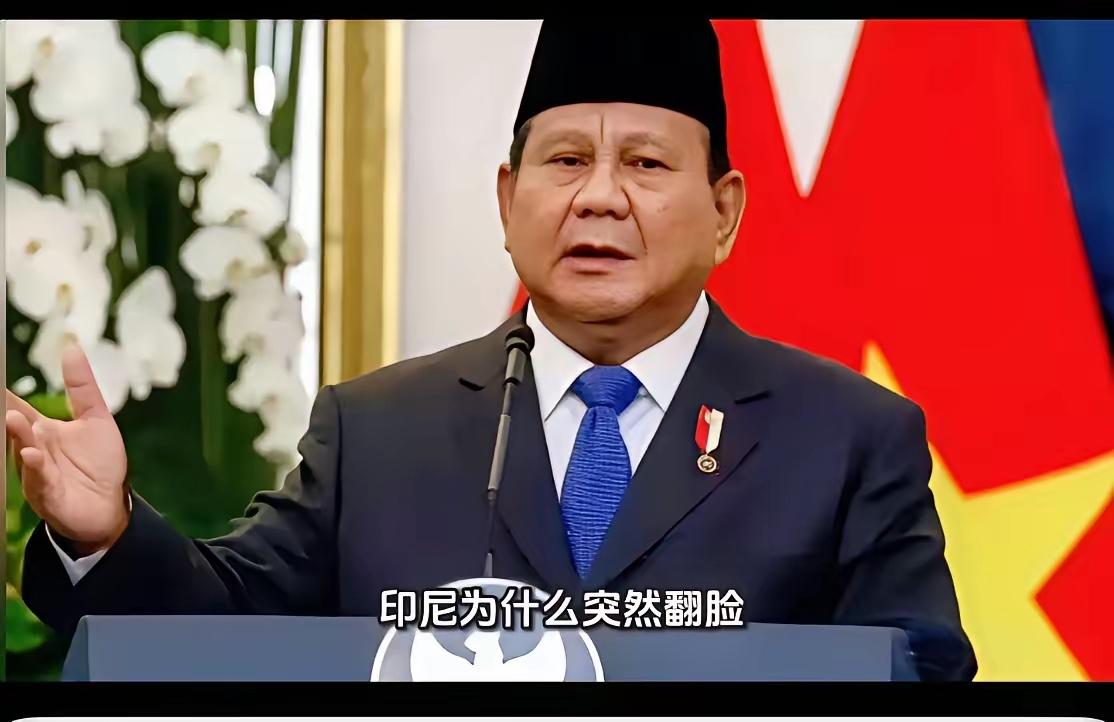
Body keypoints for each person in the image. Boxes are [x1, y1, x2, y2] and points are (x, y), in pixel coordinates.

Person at [6, 19, 976, 681]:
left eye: (644, 163)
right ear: (509, 200)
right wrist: (106, 532)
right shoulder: (378, 431)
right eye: (566, 161)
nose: (599, 197)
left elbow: (918, 667)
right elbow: (223, 629)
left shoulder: (846, 438)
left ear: (723, 211)